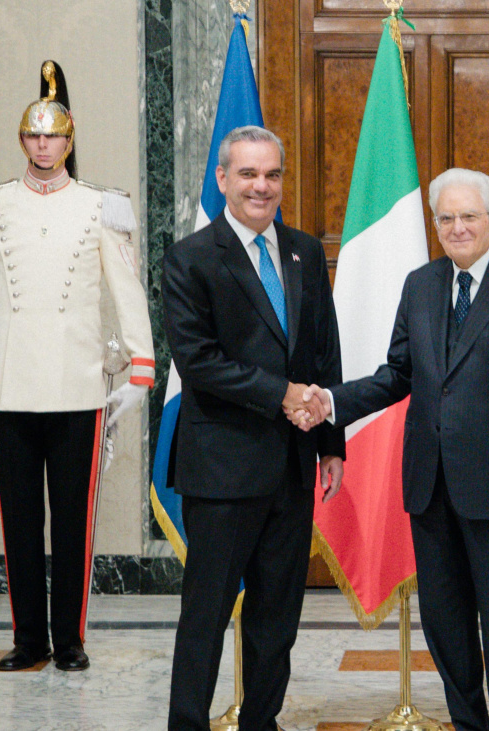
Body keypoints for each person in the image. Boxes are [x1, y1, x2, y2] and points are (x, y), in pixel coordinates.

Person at [304, 168, 489, 731]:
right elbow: (397, 374)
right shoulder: (421, 284)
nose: (457, 227)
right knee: (446, 629)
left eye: (469, 216)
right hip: (430, 486)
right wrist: (331, 401)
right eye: (446, 217)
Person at [0, 61, 155, 672]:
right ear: (22, 140)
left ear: (69, 141)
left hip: (78, 385)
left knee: (73, 522)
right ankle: (29, 641)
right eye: (34, 135)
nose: (44, 145)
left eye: (54, 136)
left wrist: (140, 370)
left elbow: (127, 292)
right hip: (9, 385)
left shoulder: (101, 206)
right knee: (19, 522)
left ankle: (69, 640)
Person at [161, 125, 344, 731]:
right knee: (206, 616)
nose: (261, 186)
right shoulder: (189, 257)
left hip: (292, 466)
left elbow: (323, 351)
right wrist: (282, 393)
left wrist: (331, 443)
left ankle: (261, 723)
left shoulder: (304, 251)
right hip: (222, 469)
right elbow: (199, 362)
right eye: (247, 174)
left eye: (272, 174)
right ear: (222, 179)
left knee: (276, 618)